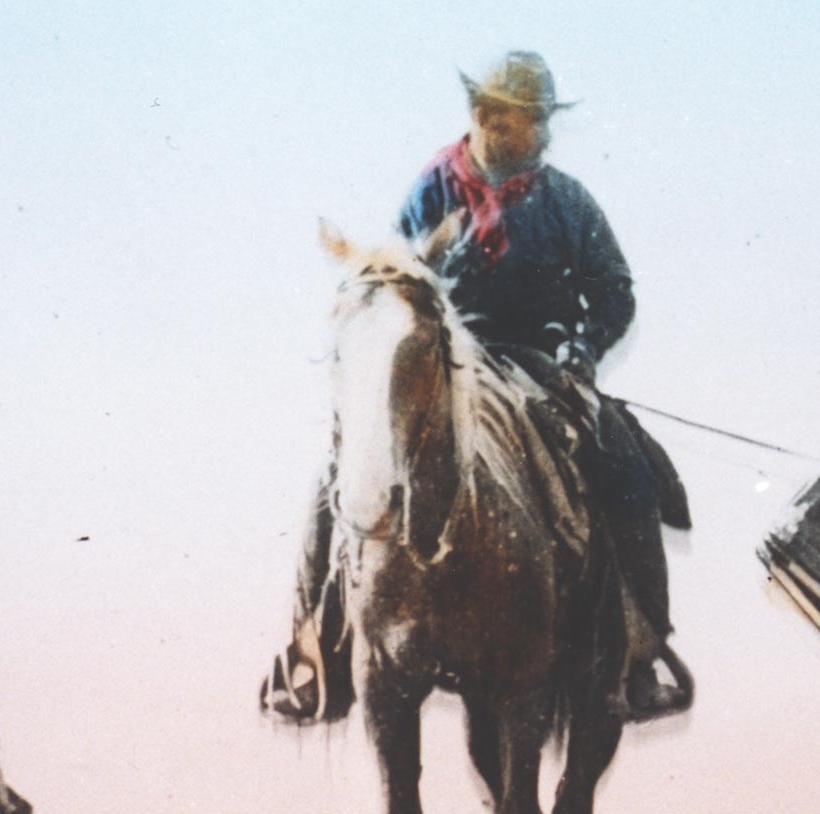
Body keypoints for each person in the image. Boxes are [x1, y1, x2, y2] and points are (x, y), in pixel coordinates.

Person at [263, 50, 691, 724]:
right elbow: (393, 285)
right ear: (487, 117)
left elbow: (615, 290)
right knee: (335, 479)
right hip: (445, 368)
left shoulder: (566, 199)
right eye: (530, 122)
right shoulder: (432, 188)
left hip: (539, 365)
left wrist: (582, 350)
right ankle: (311, 651)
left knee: (630, 466)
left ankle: (641, 653)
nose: (542, 136)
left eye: (544, 122)